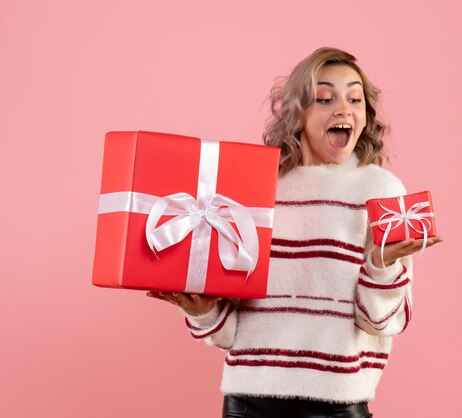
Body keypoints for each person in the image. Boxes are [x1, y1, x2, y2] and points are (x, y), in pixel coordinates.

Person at [147, 47, 444, 418]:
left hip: (336, 404)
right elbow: (232, 334)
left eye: (355, 98)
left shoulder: (380, 190)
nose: (343, 109)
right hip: (247, 400)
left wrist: (381, 265)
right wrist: (205, 312)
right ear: (297, 112)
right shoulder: (254, 188)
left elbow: (382, 322)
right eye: (324, 98)